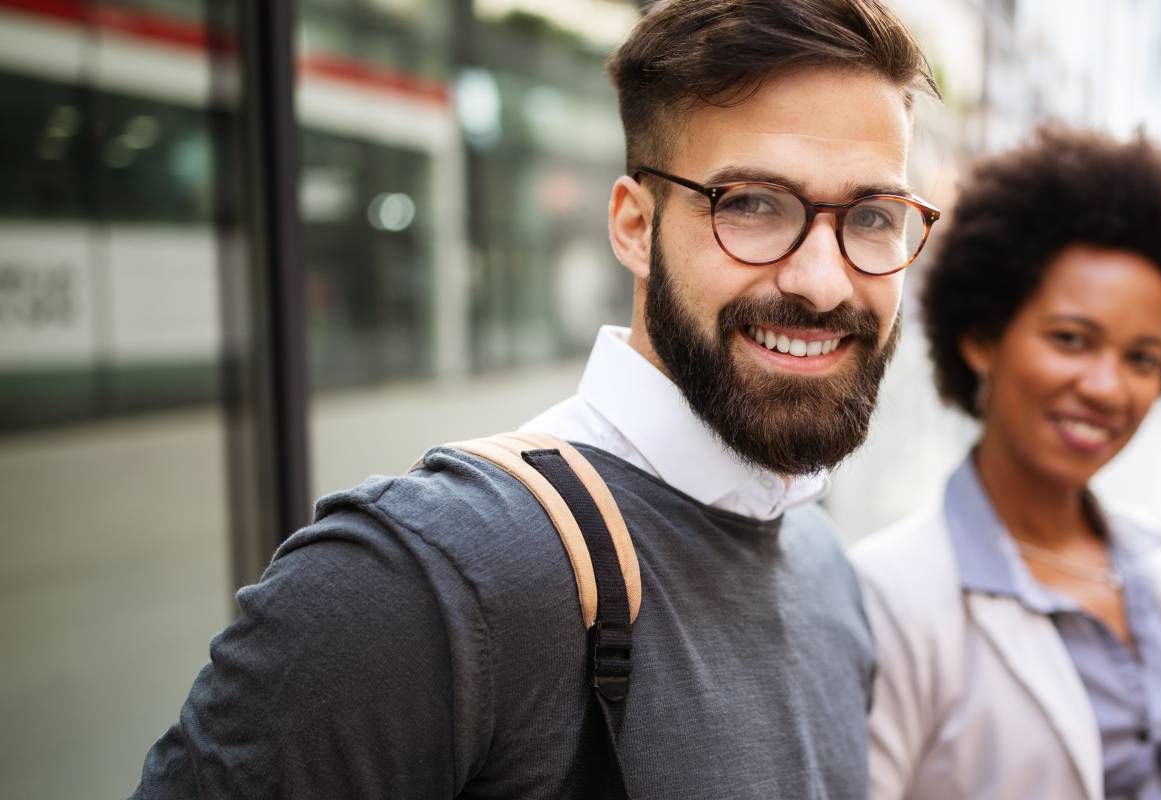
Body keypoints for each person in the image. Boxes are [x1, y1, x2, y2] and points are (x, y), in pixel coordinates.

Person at [132, 1, 940, 797]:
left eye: (872, 216)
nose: (824, 281)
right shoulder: (429, 578)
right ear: (633, 226)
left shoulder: (824, 567)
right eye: (755, 205)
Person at [855, 127, 1161, 800]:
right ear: (981, 338)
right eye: (1071, 339)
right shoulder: (890, 598)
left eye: (1141, 357)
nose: (1107, 386)